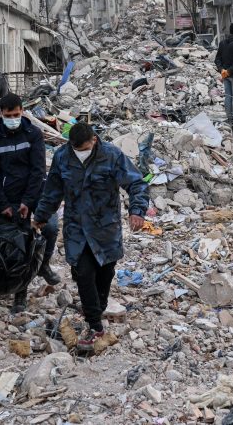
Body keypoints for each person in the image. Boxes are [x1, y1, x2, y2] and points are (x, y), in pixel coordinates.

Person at [33, 122, 149, 354]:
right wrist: (42, 216)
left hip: (105, 227)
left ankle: (98, 307)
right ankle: (95, 324)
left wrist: (137, 210)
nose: (81, 152)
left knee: (105, 272)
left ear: (94, 139)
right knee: (83, 273)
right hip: (77, 228)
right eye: (77, 149)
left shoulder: (112, 155)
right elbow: (53, 189)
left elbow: (136, 182)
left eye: (85, 148)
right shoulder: (63, 157)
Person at [0, 94, 58, 314]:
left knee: (51, 228)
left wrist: (28, 201)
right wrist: (4, 204)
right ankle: (20, 292)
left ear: (22, 110)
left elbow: (38, 171)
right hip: (8, 197)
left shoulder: (33, 133)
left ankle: (43, 264)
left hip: (34, 193)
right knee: (19, 240)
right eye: (9, 116)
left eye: (17, 114)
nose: (13, 118)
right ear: (1, 114)